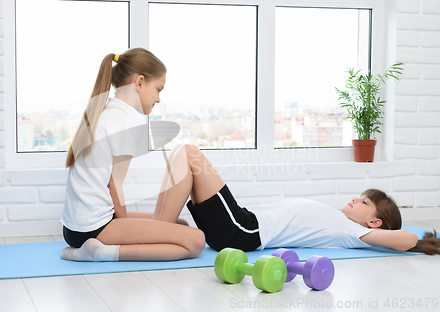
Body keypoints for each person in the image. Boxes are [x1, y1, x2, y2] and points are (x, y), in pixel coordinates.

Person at [150, 143, 440, 255]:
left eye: (364, 202)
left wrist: (420, 241)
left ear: (374, 222)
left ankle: (154, 232)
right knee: (181, 154)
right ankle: (157, 228)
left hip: (245, 230)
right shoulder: (343, 221)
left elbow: (402, 239)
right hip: (241, 224)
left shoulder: (356, 232)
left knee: (188, 153)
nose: (356, 199)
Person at [60, 48, 205, 262]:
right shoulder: (127, 120)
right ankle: (101, 252)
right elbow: (114, 185)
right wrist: (126, 228)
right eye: (158, 89)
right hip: (95, 228)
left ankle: (90, 249)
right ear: (139, 83)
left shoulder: (108, 111)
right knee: (196, 241)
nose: (158, 98)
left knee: (179, 225)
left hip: (74, 228)